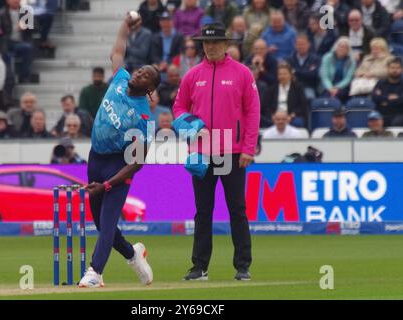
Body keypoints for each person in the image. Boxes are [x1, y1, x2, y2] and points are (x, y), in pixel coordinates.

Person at [77, 14, 161, 288]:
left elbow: (138, 162)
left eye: (146, 74)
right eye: (141, 69)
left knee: (108, 219)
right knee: (104, 227)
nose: (139, 72)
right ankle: (133, 253)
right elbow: (117, 50)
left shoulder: (143, 117)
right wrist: (126, 25)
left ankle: (95, 272)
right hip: (95, 156)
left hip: (119, 165)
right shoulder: (121, 77)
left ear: (150, 88)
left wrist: (109, 184)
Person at [173, 23, 260, 281]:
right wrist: (190, 124)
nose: (210, 47)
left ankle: (242, 265)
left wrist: (248, 148)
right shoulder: (192, 75)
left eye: (215, 42)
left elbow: (253, 112)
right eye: (206, 43)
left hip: (232, 152)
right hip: (201, 154)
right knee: (203, 211)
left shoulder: (242, 74)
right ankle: (200, 267)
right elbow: (178, 107)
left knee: (237, 209)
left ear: (225, 44)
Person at [262, 62, 309, 128]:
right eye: (280, 74)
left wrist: (292, 115)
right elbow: (266, 107)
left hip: (291, 116)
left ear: (290, 75)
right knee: (263, 121)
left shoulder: (298, 88)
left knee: (298, 122)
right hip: (275, 117)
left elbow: (303, 105)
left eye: (285, 74)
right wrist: (273, 116)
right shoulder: (272, 89)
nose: (282, 76)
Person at [0, 0, 34, 83]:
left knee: (28, 48)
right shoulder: (2, 13)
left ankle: (24, 77)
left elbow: (35, 28)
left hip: (21, 41)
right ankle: (9, 78)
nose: (15, 1)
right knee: (4, 51)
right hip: (7, 42)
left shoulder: (26, 12)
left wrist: (26, 25)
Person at [319, 37, 357, 103]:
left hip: (343, 86)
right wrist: (330, 88)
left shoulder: (352, 61)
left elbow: (348, 78)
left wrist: (337, 88)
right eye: (340, 46)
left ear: (348, 50)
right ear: (336, 47)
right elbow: (324, 76)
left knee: (335, 97)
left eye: (345, 47)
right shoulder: (327, 57)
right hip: (328, 84)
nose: (341, 48)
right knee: (325, 98)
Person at [285, 33, 320, 100]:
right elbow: (288, 76)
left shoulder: (315, 59)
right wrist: (306, 72)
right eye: (299, 44)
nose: (301, 47)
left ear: (308, 45)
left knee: (310, 98)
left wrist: (295, 71)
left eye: (303, 44)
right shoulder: (289, 60)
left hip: (308, 87)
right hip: (292, 87)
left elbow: (313, 75)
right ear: (295, 45)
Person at [372, 57, 403, 126]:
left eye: (397, 68)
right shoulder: (380, 83)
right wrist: (395, 98)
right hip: (382, 114)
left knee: (397, 122)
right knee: (373, 120)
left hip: (400, 114)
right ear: (387, 69)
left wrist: (384, 99)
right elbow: (375, 98)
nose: (395, 70)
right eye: (392, 68)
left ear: (401, 69)